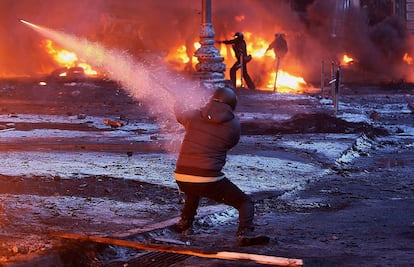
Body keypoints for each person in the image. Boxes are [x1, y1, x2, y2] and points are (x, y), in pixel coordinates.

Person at [172, 86, 268, 246]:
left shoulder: (193, 115)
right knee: (244, 202)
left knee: (193, 189)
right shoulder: (233, 125)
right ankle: (245, 232)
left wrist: (178, 102)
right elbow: (230, 143)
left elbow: (179, 113)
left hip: (181, 176)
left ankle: (185, 223)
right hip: (208, 177)